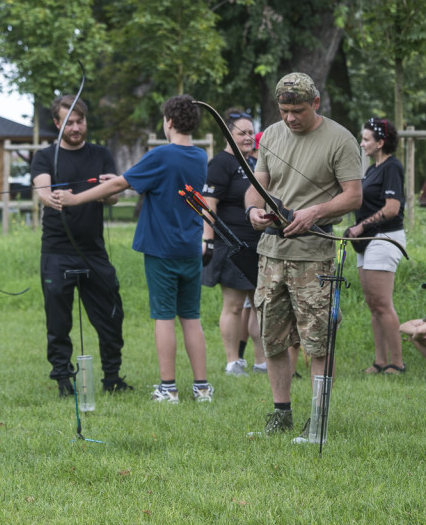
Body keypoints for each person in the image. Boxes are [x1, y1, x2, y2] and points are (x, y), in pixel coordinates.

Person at [55, 95, 212, 404]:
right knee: (191, 317)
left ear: (168, 122)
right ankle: (202, 388)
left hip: (162, 251)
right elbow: (138, 182)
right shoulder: (199, 157)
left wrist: (75, 199)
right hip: (190, 249)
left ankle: (168, 388)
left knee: (164, 317)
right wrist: (120, 179)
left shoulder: (161, 155)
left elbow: (119, 187)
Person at [244, 72, 363, 440]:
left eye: (298, 110)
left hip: (315, 257)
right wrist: (253, 212)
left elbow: (353, 195)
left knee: (318, 340)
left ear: (316, 103)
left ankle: (318, 419)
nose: (291, 118)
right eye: (284, 110)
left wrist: (315, 212)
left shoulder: (340, 139)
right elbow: (257, 187)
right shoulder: (272, 135)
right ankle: (281, 414)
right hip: (271, 252)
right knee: (273, 338)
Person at [30, 94, 129, 398]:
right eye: (69, 122)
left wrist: (109, 187)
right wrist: (55, 196)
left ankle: (112, 377)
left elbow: (113, 196)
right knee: (58, 320)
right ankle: (63, 379)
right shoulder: (45, 156)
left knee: (112, 313)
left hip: (93, 250)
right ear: (58, 124)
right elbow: (43, 191)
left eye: (80, 121)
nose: (75, 127)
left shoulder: (101, 154)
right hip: (57, 250)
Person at [201, 107, 266, 376]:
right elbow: (209, 203)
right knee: (235, 305)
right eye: (243, 133)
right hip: (231, 244)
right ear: (228, 133)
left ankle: (262, 361)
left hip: (258, 243)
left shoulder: (253, 163)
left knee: (259, 304)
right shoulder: (221, 162)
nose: (249, 137)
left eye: (252, 132)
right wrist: (208, 240)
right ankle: (232, 362)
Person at [347, 117, 406, 375]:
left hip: (384, 239)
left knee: (383, 303)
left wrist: (361, 227)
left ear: (380, 142)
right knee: (373, 304)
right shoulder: (372, 170)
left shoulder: (392, 167)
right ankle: (380, 361)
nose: (362, 143)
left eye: (366, 139)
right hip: (366, 241)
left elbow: (392, 209)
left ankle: (397, 363)